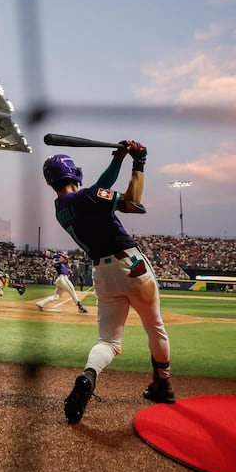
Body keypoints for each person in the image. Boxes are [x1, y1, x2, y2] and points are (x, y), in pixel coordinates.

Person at [43, 140, 176, 425]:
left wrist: (118, 159)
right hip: (132, 264)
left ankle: (88, 375)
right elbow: (134, 203)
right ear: (74, 174)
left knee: (108, 342)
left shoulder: (61, 208)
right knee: (155, 326)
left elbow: (97, 189)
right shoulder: (87, 197)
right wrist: (138, 161)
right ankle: (162, 385)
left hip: (102, 274)